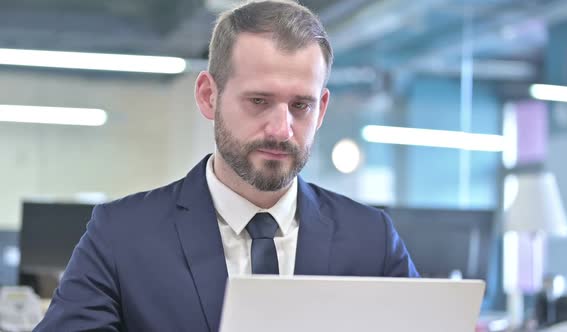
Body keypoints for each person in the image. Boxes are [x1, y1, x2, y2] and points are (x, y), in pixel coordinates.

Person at [34, 1, 418, 331]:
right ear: (207, 96)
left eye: (301, 106)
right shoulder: (121, 236)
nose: (282, 129)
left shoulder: (373, 241)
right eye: (258, 101)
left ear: (321, 110)